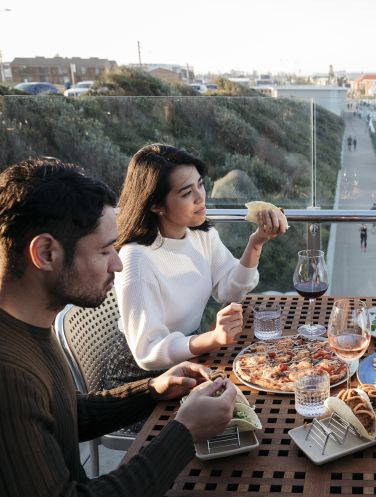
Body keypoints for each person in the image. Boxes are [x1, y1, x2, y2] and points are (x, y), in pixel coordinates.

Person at [0, 159, 239, 496]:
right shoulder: (9, 373)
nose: (118, 262)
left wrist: (153, 389)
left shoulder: (31, 327)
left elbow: (66, 411)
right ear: (45, 252)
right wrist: (184, 432)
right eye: (103, 251)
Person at [112, 144, 287, 385]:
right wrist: (214, 338)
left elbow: (230, 292)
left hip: (193, 356)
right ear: (156, 205)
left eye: (200, 184)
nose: (200, 197)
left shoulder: (199, 234)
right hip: (146, 380)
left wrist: (256, 243)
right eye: (186, 193)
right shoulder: (137, 259)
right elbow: (147, 353)